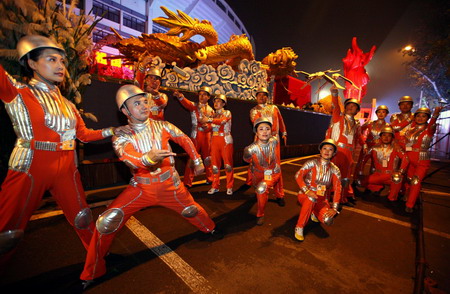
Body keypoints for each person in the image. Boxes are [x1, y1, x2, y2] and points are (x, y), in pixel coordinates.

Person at [0, 35, 128, 266]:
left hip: (67, 167)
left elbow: (84, 135)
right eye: (52, 60)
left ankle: (98, 260)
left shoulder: (67, 104)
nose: (60, 66)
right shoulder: (18, 92)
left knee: (83, 218)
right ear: (31, 63)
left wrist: (114, 130)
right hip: (30, 164)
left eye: (62, 61)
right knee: (8, 231)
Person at [80, 85, 222, 285]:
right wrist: (148, 158)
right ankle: (92, 272)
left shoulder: (162, 125)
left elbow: (184, 139)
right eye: (136, 103)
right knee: (106, 221)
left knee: (191, 210)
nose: (143, 106)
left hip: (169, 185)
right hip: (141, 188)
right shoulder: (121, 134)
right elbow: (128, 157)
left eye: (144, 101)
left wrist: (197, 160)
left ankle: (210, 228)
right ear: (125, 111)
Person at [294, 139, 341, 241]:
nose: (327, 151)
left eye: (330, 149)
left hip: (322, 199)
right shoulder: (311, 163)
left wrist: (334, 208)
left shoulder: (335, 169)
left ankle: (314, 211)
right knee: (311, 199)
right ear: (320, 150)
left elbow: (338, 188)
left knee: (328, 220)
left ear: (333, 153)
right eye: (324, 148)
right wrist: (306, 191)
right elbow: (298, 175)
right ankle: (299, 226)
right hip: (305, 195)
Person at [247, 87, 287, 207]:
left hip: (274, 141)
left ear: (267, 97)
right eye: (259, 95)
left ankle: (279, 194)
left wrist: (284, 132)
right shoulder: (253, 110)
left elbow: (281, 120)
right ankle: (259, 189)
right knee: (258, 165)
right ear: (256, 97)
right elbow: (256, 122)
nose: (262, 97)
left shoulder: (274, 108)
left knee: (276, 167)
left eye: (264, 95)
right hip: (260, 141)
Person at [325, 86, 362, 206]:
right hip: (337, 151)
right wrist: (335, 93)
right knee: (330, 175)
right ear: (345, 107)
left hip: (349, 154)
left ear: (357, 111)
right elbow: (335, 106)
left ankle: (342, 198)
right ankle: (324, 198)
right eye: (349, 105)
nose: (351, 107)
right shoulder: (338, 117)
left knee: (345, 177)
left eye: (354, 106)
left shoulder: (356, 124)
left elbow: (358, 139)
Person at [243, 117, 282, 226]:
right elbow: (247, 160)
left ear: (271, 131)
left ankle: (260, 214)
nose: (265, 131)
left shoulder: (274, 141)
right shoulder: (250, 149)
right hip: (257, 173)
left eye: (267, 129)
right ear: (256, 132)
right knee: (258, 189)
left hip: (272, 173)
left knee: (262, 189)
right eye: (261, 129)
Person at [403, 106, 443, 213]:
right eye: (418, 116)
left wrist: (435, 113)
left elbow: (432, 124)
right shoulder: (410, 131)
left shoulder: (429, 130)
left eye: (424, 116)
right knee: (409, 180)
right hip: (410, 158)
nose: (420, 118)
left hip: (422, 160)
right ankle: (408, 197)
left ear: (427, 118)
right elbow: (407, 145)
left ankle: (410, 204)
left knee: (416, 182)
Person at [355, 126, 409, 201]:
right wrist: (360, 171)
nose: (386, 138)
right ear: (380, 136)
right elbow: (364, 158)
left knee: (397, 178)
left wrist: (401, 171)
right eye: (384, 135)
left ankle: (392, 198)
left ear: (392, 138)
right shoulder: (374, 148)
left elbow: (405, 158)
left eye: (389, 136)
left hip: (390, 176)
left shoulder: (396, 148)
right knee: (359, 181)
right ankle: (380, 187)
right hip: (378, 174)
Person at [173, 87, 214, 187]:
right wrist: (180, 97)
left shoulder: (211, 110)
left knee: (208, 158)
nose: (201, 96)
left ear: (208, 97)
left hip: (207, 135)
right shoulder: (194, 106)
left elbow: (214, 124)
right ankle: (187, 182)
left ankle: (210, 178)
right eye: (200, 94)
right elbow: (186, 103)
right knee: (192, 157)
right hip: (196, 135)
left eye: (204, 94)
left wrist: (208, 126)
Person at [201, 94, 234, 195]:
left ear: (224, 103)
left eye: (219, 101)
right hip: (215, 139)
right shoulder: (213, 115)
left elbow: (222, 121)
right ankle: (215, 186)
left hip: (225, 140)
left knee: (228, 165)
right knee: (214, 165)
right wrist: (203, 125)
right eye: (215, 101)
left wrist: (209, 120)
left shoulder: (227, 113)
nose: (216, 103)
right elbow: (210, 128)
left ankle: (229, 186)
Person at [135, 56, 168, 121]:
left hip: (157, 128)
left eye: (156, 79)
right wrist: (143, 66)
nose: (153, 80)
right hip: (143, 126)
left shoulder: (162, 96)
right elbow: (138, 81)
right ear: (146, 80)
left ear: (160, 83)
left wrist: (155, 94)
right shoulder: (141, 93)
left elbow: (162, 104)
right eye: (151, 78)